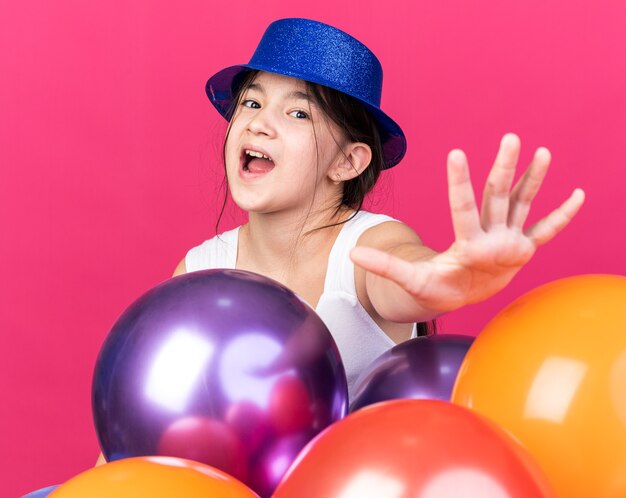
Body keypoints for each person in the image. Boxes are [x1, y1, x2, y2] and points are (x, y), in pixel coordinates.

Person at [172, 17, 584, 395]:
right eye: (251, 103)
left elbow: (404, 269)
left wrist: (450, 276)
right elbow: (144, 419)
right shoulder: (196, 272)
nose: (259, 122)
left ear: (347, 162)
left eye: (298, 113)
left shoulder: (368, 248)